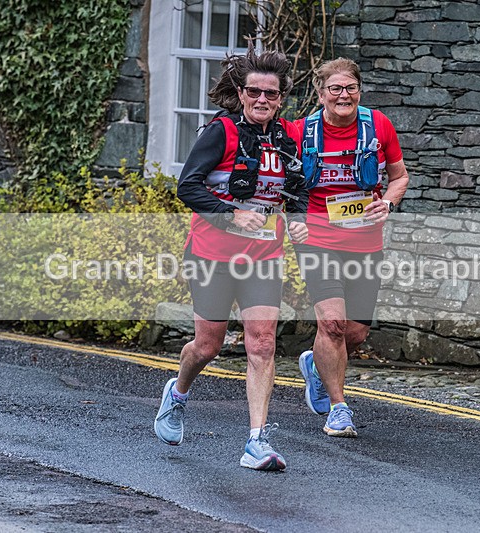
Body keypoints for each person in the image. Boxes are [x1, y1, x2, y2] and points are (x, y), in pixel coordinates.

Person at [154, 46, 308, 471]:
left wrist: (297, 218)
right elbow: (187, 186)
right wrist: (231, 214)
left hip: (263, 256)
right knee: (208, 345)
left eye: (271, 94)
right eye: (254, 92)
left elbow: (297, 187)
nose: (262, 100)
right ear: (240, 93)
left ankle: (256, 441)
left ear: (280, 99)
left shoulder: (288, 137)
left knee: (262, 342)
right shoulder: (220, 132)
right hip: (211, 255)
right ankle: (178, 392)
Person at [293, 58, 409, 437]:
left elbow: (399, 177)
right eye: (335, 89)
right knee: (332, 323)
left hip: (364, 242)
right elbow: (283, 184)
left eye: (351, 88)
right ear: (321, 92)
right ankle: (339, 409)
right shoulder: (301, 132)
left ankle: (315, 365)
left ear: (359, 89)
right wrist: (290, 219)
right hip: (318, 240)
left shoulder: (378, 126)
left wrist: (388, 203)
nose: (344, 95)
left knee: (354, 334)